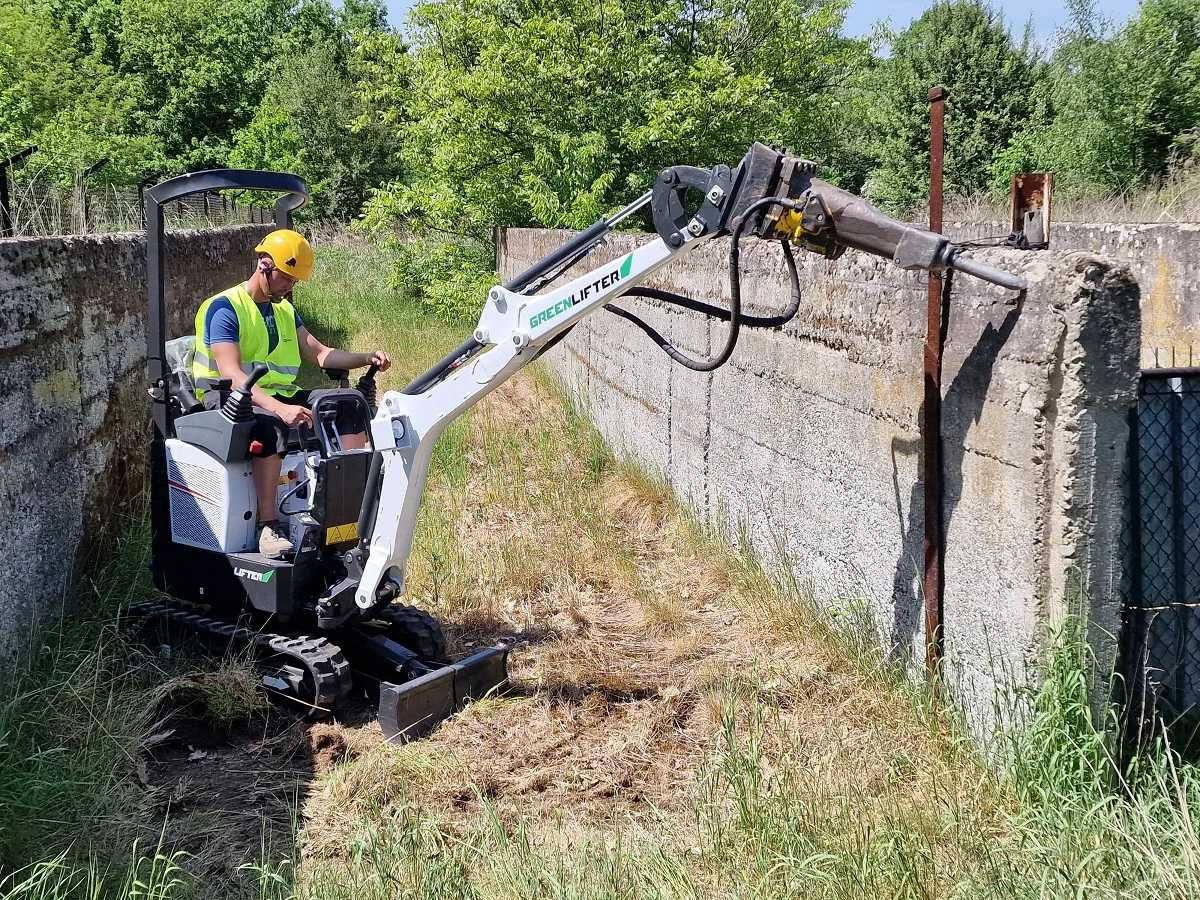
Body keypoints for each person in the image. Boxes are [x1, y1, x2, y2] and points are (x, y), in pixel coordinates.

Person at [192, 229, 391, 558]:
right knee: (271, 427)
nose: (290, 286)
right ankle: (267, 526)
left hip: (274, 394)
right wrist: (279, 409)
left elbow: (321, 354)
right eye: (287, 278)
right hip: (227, 397)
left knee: (346, 409)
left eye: (295, 281)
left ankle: (346, 509)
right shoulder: (225, 308)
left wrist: (366, 358)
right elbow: (232, 373)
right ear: (265, 265)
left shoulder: (283, 310)